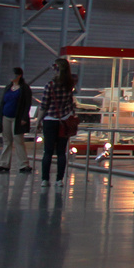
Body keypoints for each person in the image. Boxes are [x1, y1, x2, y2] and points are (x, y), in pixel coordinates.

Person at [38, 58, 78, 187]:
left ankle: (45, 179)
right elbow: (71, 104)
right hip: (64, 122)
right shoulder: (69, 85)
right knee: (61, 152)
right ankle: (59, 180)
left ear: (56, 69)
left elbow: (44, 105)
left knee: (48, 152)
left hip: (50, 121)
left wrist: (38, 121)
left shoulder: (50, 85)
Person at [0, 68, 33, 173]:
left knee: (18, 140)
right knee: (7, 140)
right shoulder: (8, 88)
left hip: (17, 117)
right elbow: (3, 102)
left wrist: (24, 117)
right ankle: (4, 163)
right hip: (6, 116)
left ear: (19, 75)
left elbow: (27, 104)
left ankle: (23, 164)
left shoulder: (24, 88)